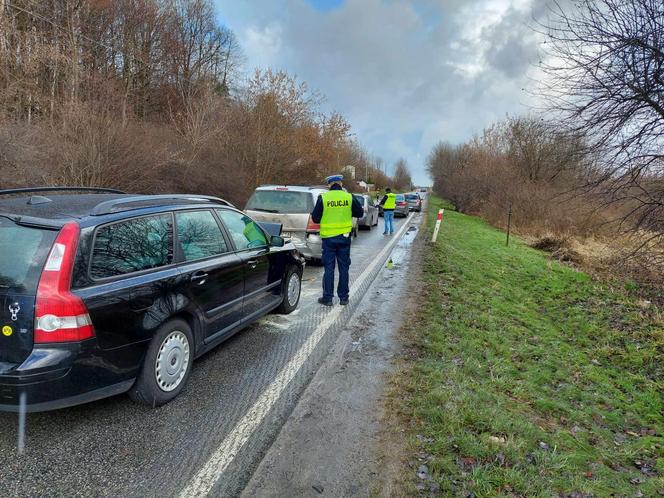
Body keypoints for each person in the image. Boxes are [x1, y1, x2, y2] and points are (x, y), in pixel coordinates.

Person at [311, 174, 364, 306]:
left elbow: (316, 218)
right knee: (344, 268)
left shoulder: (323, 197)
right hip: (344, 238)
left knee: (329, 268)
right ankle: (344, 298)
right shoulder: (349, 197)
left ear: (329, 185)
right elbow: (360, 213)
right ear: (340, 184)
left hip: (328, 239)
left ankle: (327, 298)